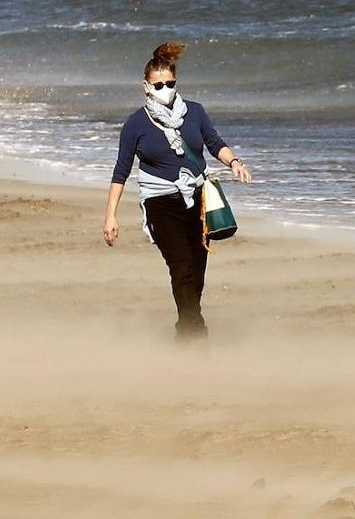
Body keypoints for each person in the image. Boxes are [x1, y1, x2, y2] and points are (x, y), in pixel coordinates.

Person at [103, 42, 253, 340]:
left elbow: (214, 143)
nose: (165, 89)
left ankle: (185, 327)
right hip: (161, 203)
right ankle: (196, 336)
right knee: (181, 266)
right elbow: (121, 171)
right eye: (158, 85)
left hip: (197, 202)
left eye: (170, 83)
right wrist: (111, 217)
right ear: (146, 86)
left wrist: (234, 162)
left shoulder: (194, 112)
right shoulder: (135, 124)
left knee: (197, 272)